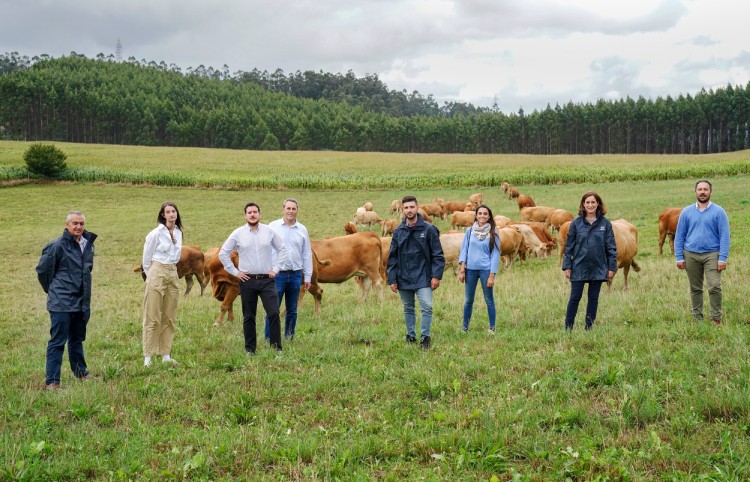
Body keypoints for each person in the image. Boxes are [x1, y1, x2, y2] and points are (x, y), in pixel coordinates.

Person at [36, 211, 97, 390]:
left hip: (82, 302)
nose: (78, 227)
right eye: (75, 223)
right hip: (61, 302)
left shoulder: (88, 245)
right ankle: (52, 382)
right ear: (67, 225)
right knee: (57, 341)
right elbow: (43, 271)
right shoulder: (56, 246)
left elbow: (87, 271)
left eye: (81, 223)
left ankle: (81, 373)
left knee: (77, 339)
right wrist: (54, 290)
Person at [220, 202, 287, 354]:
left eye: (255, 212)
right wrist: (235, 272)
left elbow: (282, 249)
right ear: (245, 216)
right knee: (249, 316)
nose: (252, 214)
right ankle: (250, 349)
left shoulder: (269, 231)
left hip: (266, 280)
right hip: (247, 280)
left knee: (274, 313)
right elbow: (223, 253)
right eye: (249, 212)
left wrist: (276, 268)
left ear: (259, 214)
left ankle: (276, 348)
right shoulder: (238, 233)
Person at [387, 195, 445, 349]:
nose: (409, 210)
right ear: (403, 209)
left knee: (427, 306)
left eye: (412, 207)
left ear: (417, 208)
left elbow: (437, 255)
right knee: (408, 307)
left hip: (424, 276)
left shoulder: (429, 229)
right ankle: (410, 335)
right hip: (403, 276)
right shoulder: (399, 231)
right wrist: (392, 279)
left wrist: (436, 276)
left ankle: (425, 337)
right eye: (406, 208)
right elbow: (392, 257)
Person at [674, 180, 730, 325]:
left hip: (712, 254)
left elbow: (724, 236)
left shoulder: (719, 212)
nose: (703, 192)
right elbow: (679, 235)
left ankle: (716, 318)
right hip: (691, 254)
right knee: (695, 288)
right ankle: (697, 318)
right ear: (695, 192)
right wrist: (679, 257)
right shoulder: (686, 212)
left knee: (714, 286)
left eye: (705, 189)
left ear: (710, 192)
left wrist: (722, 258)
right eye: (700, 189)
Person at [562, 192, 617, 331]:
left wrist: (612, 267)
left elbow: (611, 247)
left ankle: (589, 328)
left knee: (593, 298)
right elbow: (569, 247)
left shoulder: (605, 223)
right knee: (575, 297)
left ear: (598, 204)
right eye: (587, 202)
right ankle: (568, 328)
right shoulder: (576, 223)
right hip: (579, 266)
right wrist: (567, 266)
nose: (590, 205)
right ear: (583, 205)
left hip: (598, 266)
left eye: (593, 202)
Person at [141, 202, 183, 367]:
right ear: (163, 215)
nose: (172, 214)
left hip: (173, 271)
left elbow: (177, 255)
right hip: (157, 270)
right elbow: (146, 257)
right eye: (168, 212)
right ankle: (148, 357)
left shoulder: (178, 232)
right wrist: (150, 274)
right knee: (152, 315)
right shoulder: (155, 233)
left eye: (174, 211)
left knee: (169, 315)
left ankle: (165, 354)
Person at [265, 198, 313, 341]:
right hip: (277, 275)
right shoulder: (272, 227)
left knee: (292, 310)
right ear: (283, 209)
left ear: (297, 210)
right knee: (273, 309)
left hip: (295, 275)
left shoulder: (302, 229)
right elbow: (265, 249)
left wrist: (308, 276)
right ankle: (270, 338)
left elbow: (307, 253)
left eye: (294, 209)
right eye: (288, 208)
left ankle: (289, 336)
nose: (291, 211)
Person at [458, 205, 501, 334]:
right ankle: (465, 328)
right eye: (480, 213)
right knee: (468, 300)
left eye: (485, 214)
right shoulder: (469, 231)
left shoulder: (493, 233)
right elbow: (464, 249)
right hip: (470, 270)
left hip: (485, 270)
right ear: (476, 215)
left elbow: (495, 254)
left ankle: (492, 327)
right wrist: (462, 269)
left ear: (489, 217)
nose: (482, 216)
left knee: (489, 299)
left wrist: (492, 275)